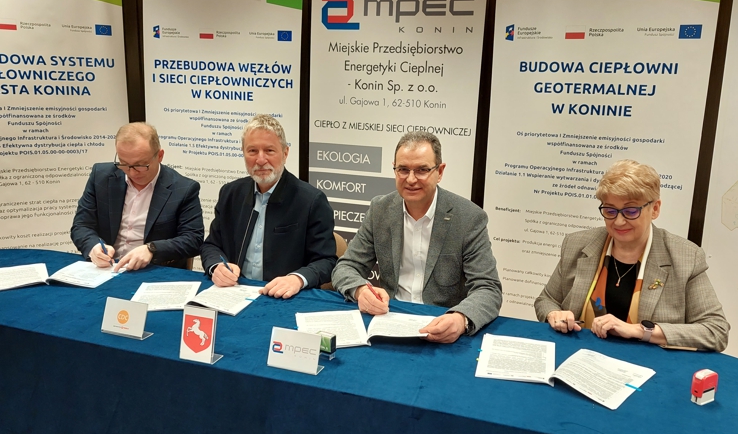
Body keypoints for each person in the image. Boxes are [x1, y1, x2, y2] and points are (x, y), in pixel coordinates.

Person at [535, 159, 729, 351]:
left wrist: (640, 331)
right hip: (581, 356)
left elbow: (716, 331)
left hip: (648, 364)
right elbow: (546, 300)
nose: (619, 221)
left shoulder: (685, 257)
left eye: (630, 211)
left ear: (655, 209)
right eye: (610, 210)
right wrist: (554, 314)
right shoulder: (577, 244)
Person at [331, 131, 502, 343]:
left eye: (422, 170)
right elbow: (346, 267)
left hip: (441, 326)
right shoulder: (380, 210)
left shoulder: (468, 218)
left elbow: (488, 288)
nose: (411, 179)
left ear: (440, 171)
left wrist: (460, 319)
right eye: (403, 169)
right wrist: (360, 290)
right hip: (389, 322)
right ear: (395, 169)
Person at [200, 114, 336, 298]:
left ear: (285, 153)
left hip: (284, 298)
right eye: (252, 151)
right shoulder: (230, 193)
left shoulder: (311, 200)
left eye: (269, 151)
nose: (261, 160)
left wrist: (297, 279)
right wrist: (217, 266)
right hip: (235, 293)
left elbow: (326, 261)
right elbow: (211, 245)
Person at [70, 122, 204, 271]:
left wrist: (151, 249)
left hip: (153, 271)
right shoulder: (101, 176)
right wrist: (93, 246)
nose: (132, 172)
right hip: (107, 269)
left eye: (141, 165)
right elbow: (81, 225)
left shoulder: (183, 189)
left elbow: (193, 240)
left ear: (160, 156)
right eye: (124, 164)